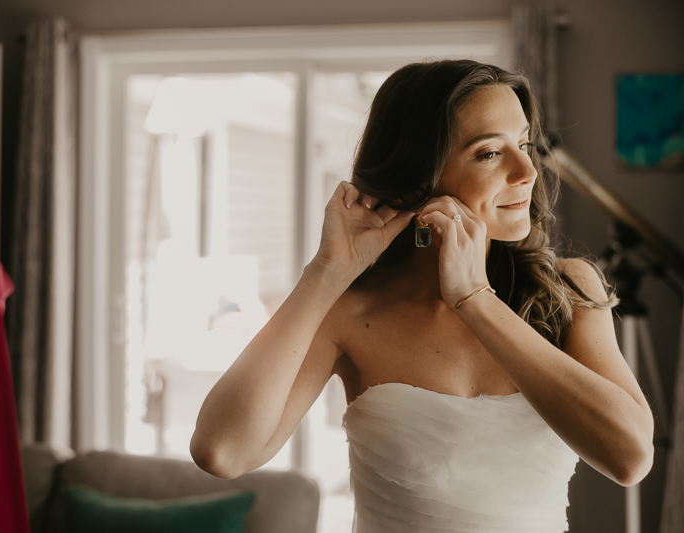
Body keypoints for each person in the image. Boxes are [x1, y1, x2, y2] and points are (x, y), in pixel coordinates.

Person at [190, 59, 655, 532]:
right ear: (419, 179)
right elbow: (222, 451)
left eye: (524, 144)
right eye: (489, 153)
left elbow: (630, 456)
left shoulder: (569, 289)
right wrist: (327, 271)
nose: (527, 171)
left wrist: (476, 299)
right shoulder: (350, 312)